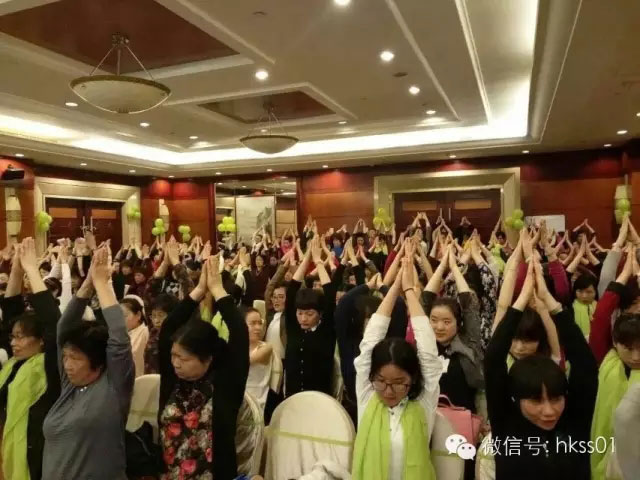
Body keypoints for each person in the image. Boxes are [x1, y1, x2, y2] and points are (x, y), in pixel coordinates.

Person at [484, 259, 598, 479]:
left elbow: (585, 365)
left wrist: (551, 303)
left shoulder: (573, 423)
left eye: (555, 399)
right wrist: (520, 303)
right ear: (516, 399)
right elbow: (493, 361)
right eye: (536, 400)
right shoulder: (507, 426)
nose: (549, 411)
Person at [42, 247, 135, 480]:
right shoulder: (69, 386)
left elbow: (119, 337)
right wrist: (87, 285)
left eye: (75, 358)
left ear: (97, 362)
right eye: (65, 357)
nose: (67, 364)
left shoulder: (113, 387)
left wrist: (102, 284)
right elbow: (63, 328)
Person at [158, 256, 248, 480]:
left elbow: (239, 333)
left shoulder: (225, 385)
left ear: (207, 359)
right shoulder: (172, 381)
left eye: (184, 358)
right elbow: (169, 327)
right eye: (173, 356)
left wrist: (218, 291)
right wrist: (198, 291)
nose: (176, 363)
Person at [352, 255, 442, 480]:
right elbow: (369, 343)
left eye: (399, 383)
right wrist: (393, 290)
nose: (389, 391)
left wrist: (410, 291)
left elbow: (429, 355)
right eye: (381, 381)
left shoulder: (423, 402)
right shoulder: (367, 396)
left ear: (413, 378)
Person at [0, 238, 60, 480]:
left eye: (21, 337)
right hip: (12, 447)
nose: (13, 343)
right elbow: (11, 311)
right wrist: (16, 269)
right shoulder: (14, 365)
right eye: (12, 337)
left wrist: (33, 271)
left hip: (38, 453)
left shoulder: (50, 365)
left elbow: (53, 322)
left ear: (41, 340)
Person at [283, 236, 337, 397]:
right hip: (293, 397)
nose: (303, 318)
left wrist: (318, 262)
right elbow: (292, 291)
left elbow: (330, 294)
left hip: (319, 399)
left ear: (320, 314)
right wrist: (306, 259)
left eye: (309, 313)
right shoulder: (293, 328)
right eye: (300, 313)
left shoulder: (326, 331)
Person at [245, 307, 273, 412]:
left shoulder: (266, 347)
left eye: (260, 323)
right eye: (253, 323)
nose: (258, 328)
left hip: (255, 402)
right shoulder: (236, 347)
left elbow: (244, 362)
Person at [145, 293, 178, 374]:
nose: (156, 321)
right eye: (153, 316)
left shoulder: (178, 337)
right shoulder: (153, 332)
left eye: (161, 315)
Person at [121, 294, 149, 378]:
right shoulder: (119, 333)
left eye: (124, 316)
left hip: (137, 379)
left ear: (138, 315)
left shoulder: (145, 333)